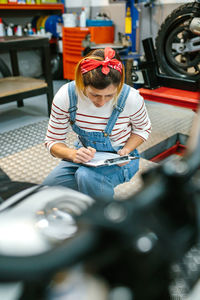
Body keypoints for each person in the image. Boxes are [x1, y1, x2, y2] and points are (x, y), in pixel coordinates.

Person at [43, 47, 151, 200]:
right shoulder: (66, 96)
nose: (101, 102)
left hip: (120, 159)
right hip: (83, 157)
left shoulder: (131, 98)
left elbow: (143, 129)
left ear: (119, 85)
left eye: (109, 95)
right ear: (82, 82)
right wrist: (73, 154)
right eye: (94, 95)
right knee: (46, 191)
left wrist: (126, 149)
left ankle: (105, 220)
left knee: (87, 176)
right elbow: (52, 141)